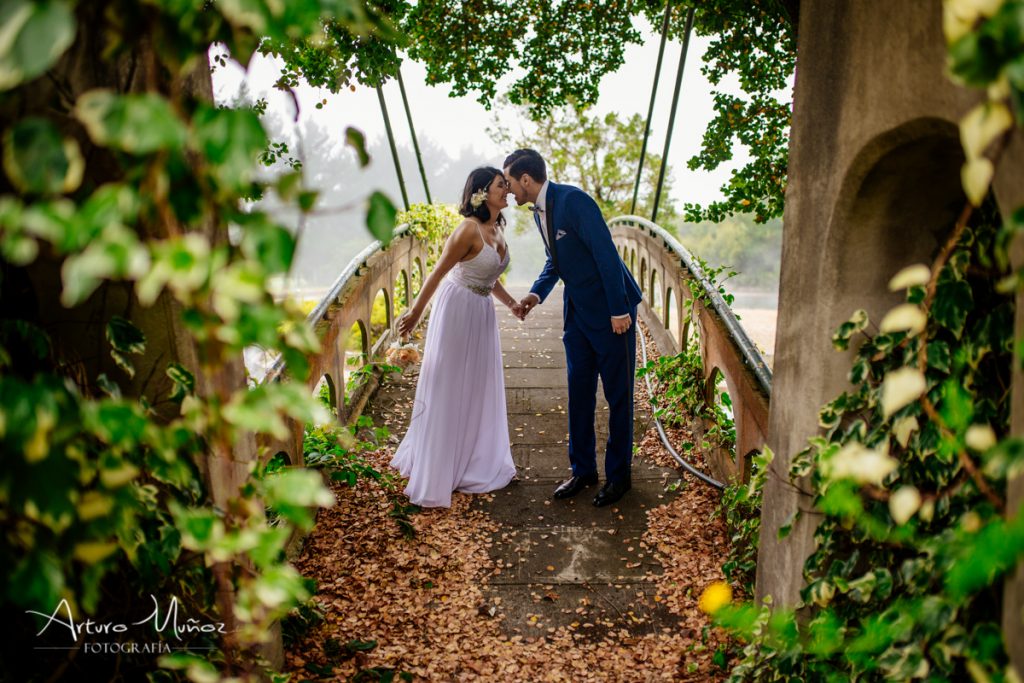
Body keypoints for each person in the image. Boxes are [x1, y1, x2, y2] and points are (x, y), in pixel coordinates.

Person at [503, 149, 642, 507]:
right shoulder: (539, 212)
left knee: (618, 397)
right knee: (579, 394)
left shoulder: (575, 201)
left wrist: (618, 309)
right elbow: (558, 259)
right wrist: (536, 294)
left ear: (527, 180)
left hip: (613, 314)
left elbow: (605, 254)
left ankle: (619, 477)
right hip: (577, 315)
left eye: (510, 183)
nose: (508, 192)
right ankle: (583, 470)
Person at [390, 167, 520, 508]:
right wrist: (416, 312)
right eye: (500, 185)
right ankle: (438, 468)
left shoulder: (496, 228)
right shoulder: (468, 229)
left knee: (476, 384)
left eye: (506, 185)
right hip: (457, 309)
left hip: (481, 313)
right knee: (449, 383)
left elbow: (490, 275)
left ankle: (472, 457)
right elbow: (439, 270)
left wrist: (511, 305)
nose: (506, 190)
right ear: (480, 192)